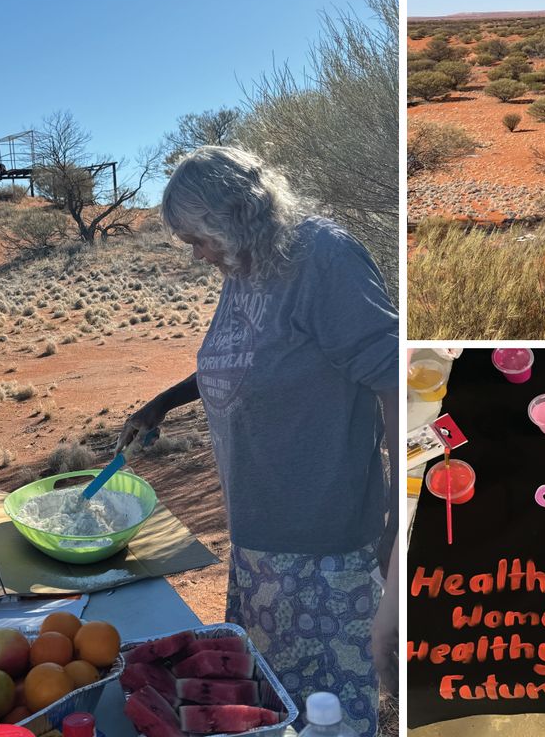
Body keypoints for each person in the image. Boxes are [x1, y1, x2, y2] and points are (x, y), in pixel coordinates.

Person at [116, 146, 398, 737]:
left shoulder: (323, 258)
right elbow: (251, 355)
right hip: (260, 538)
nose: (197, 255)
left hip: (323, 550)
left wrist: (404, 536)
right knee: (272, 702)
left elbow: (398, 383)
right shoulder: (248, 265)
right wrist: (162, 404)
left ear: (238, 214)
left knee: (325, 715)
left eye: (198, 238)